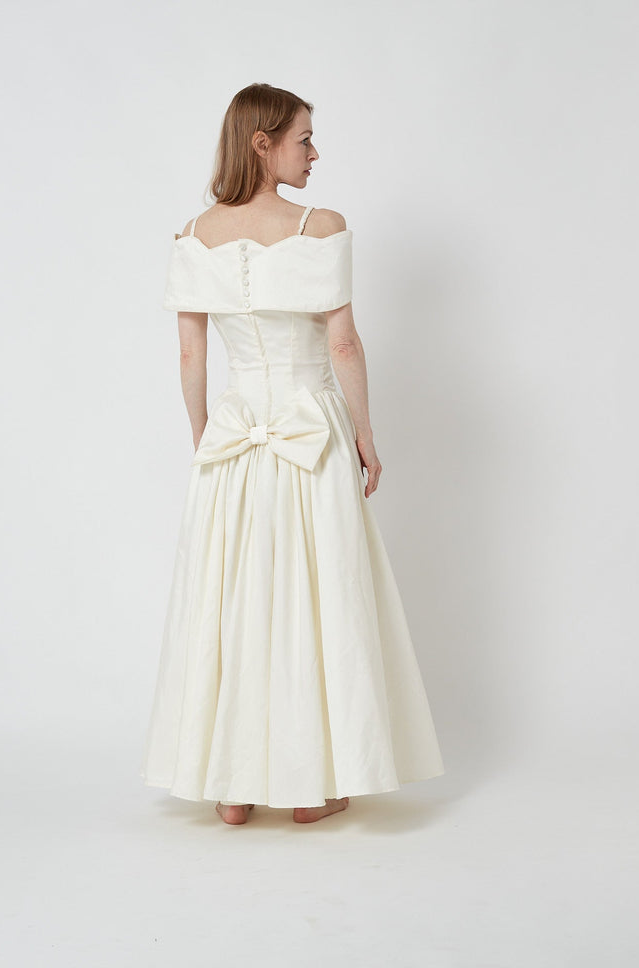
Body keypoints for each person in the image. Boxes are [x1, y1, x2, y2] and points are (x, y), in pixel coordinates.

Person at [141, 83, 444, 825]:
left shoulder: (193, 235)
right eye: (304, 138)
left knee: (236, 597)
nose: (315, 152)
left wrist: (204, 437)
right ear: (263, 143)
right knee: (320, 594)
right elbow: (342, 345)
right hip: (311, 426)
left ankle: (233, 789)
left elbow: (189, 355)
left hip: (235, 431)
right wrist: (365, 435)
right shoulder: (319, 227)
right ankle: (318, 785)